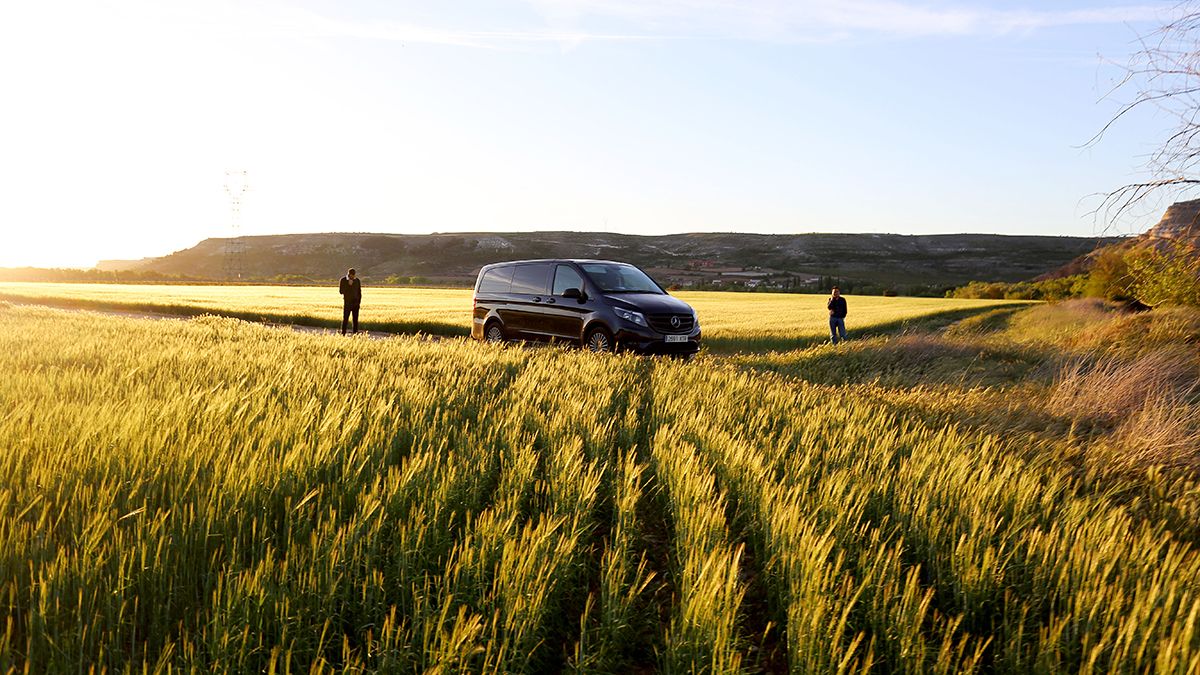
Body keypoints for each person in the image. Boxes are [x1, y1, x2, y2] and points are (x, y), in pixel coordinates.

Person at [339, 268, 362, 335]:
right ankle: (343, 333)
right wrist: (348, 285)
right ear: (349, 274)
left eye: (354, 275)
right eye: (352, 275)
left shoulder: (357, 281)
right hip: (347, 303)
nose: (353, 277)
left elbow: (359, 292)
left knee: (355, 320)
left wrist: (358, 302)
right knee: (345, 319)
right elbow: (341, 291)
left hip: (356, 303)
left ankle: (355, 334)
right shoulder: (343, 280)